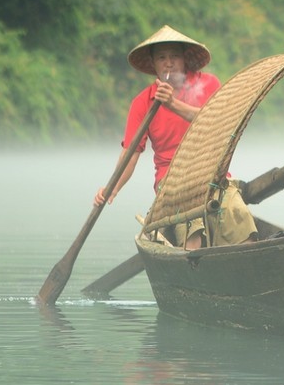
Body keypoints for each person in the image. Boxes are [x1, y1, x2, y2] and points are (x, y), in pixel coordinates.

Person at [94, 25, 257, 249]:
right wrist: (112, 187)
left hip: (213, 173)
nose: (168, 63)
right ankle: (193, 263)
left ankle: (243, 257)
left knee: (240, 221)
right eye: (161, 58)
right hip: (171, 182)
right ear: (153, 64)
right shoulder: (143, 103)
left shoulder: (208, 84)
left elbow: (219, 121)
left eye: (174, 57)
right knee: (190, 229)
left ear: (184, 59)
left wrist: (172, 104)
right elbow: (131, 153)